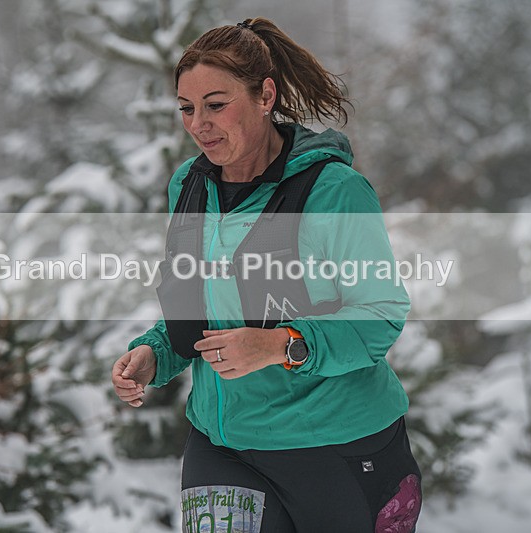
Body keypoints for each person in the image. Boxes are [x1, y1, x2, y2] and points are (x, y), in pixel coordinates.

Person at [112, 17, 422, 533]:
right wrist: (155, 354)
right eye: (187, 108)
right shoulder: (188, 186)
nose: (198, 124)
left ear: (265, 96)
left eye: (216, 104)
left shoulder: (335, 193)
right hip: (222, 445)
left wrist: (282, 345)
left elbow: (379, 316)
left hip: (336, 449)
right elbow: (200, 307)